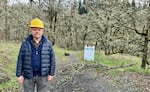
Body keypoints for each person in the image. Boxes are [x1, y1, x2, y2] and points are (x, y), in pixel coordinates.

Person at [16, 18, 56, 92]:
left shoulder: (48, 44)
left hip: (43, 76)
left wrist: (51, 73)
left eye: (39, 29)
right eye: (34, 29)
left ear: (42, 30)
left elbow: (52, 59)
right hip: (28, 76)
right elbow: (20, 59)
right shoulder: (25, 43)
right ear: (31, 30)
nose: (37, 31)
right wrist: (19, 74)